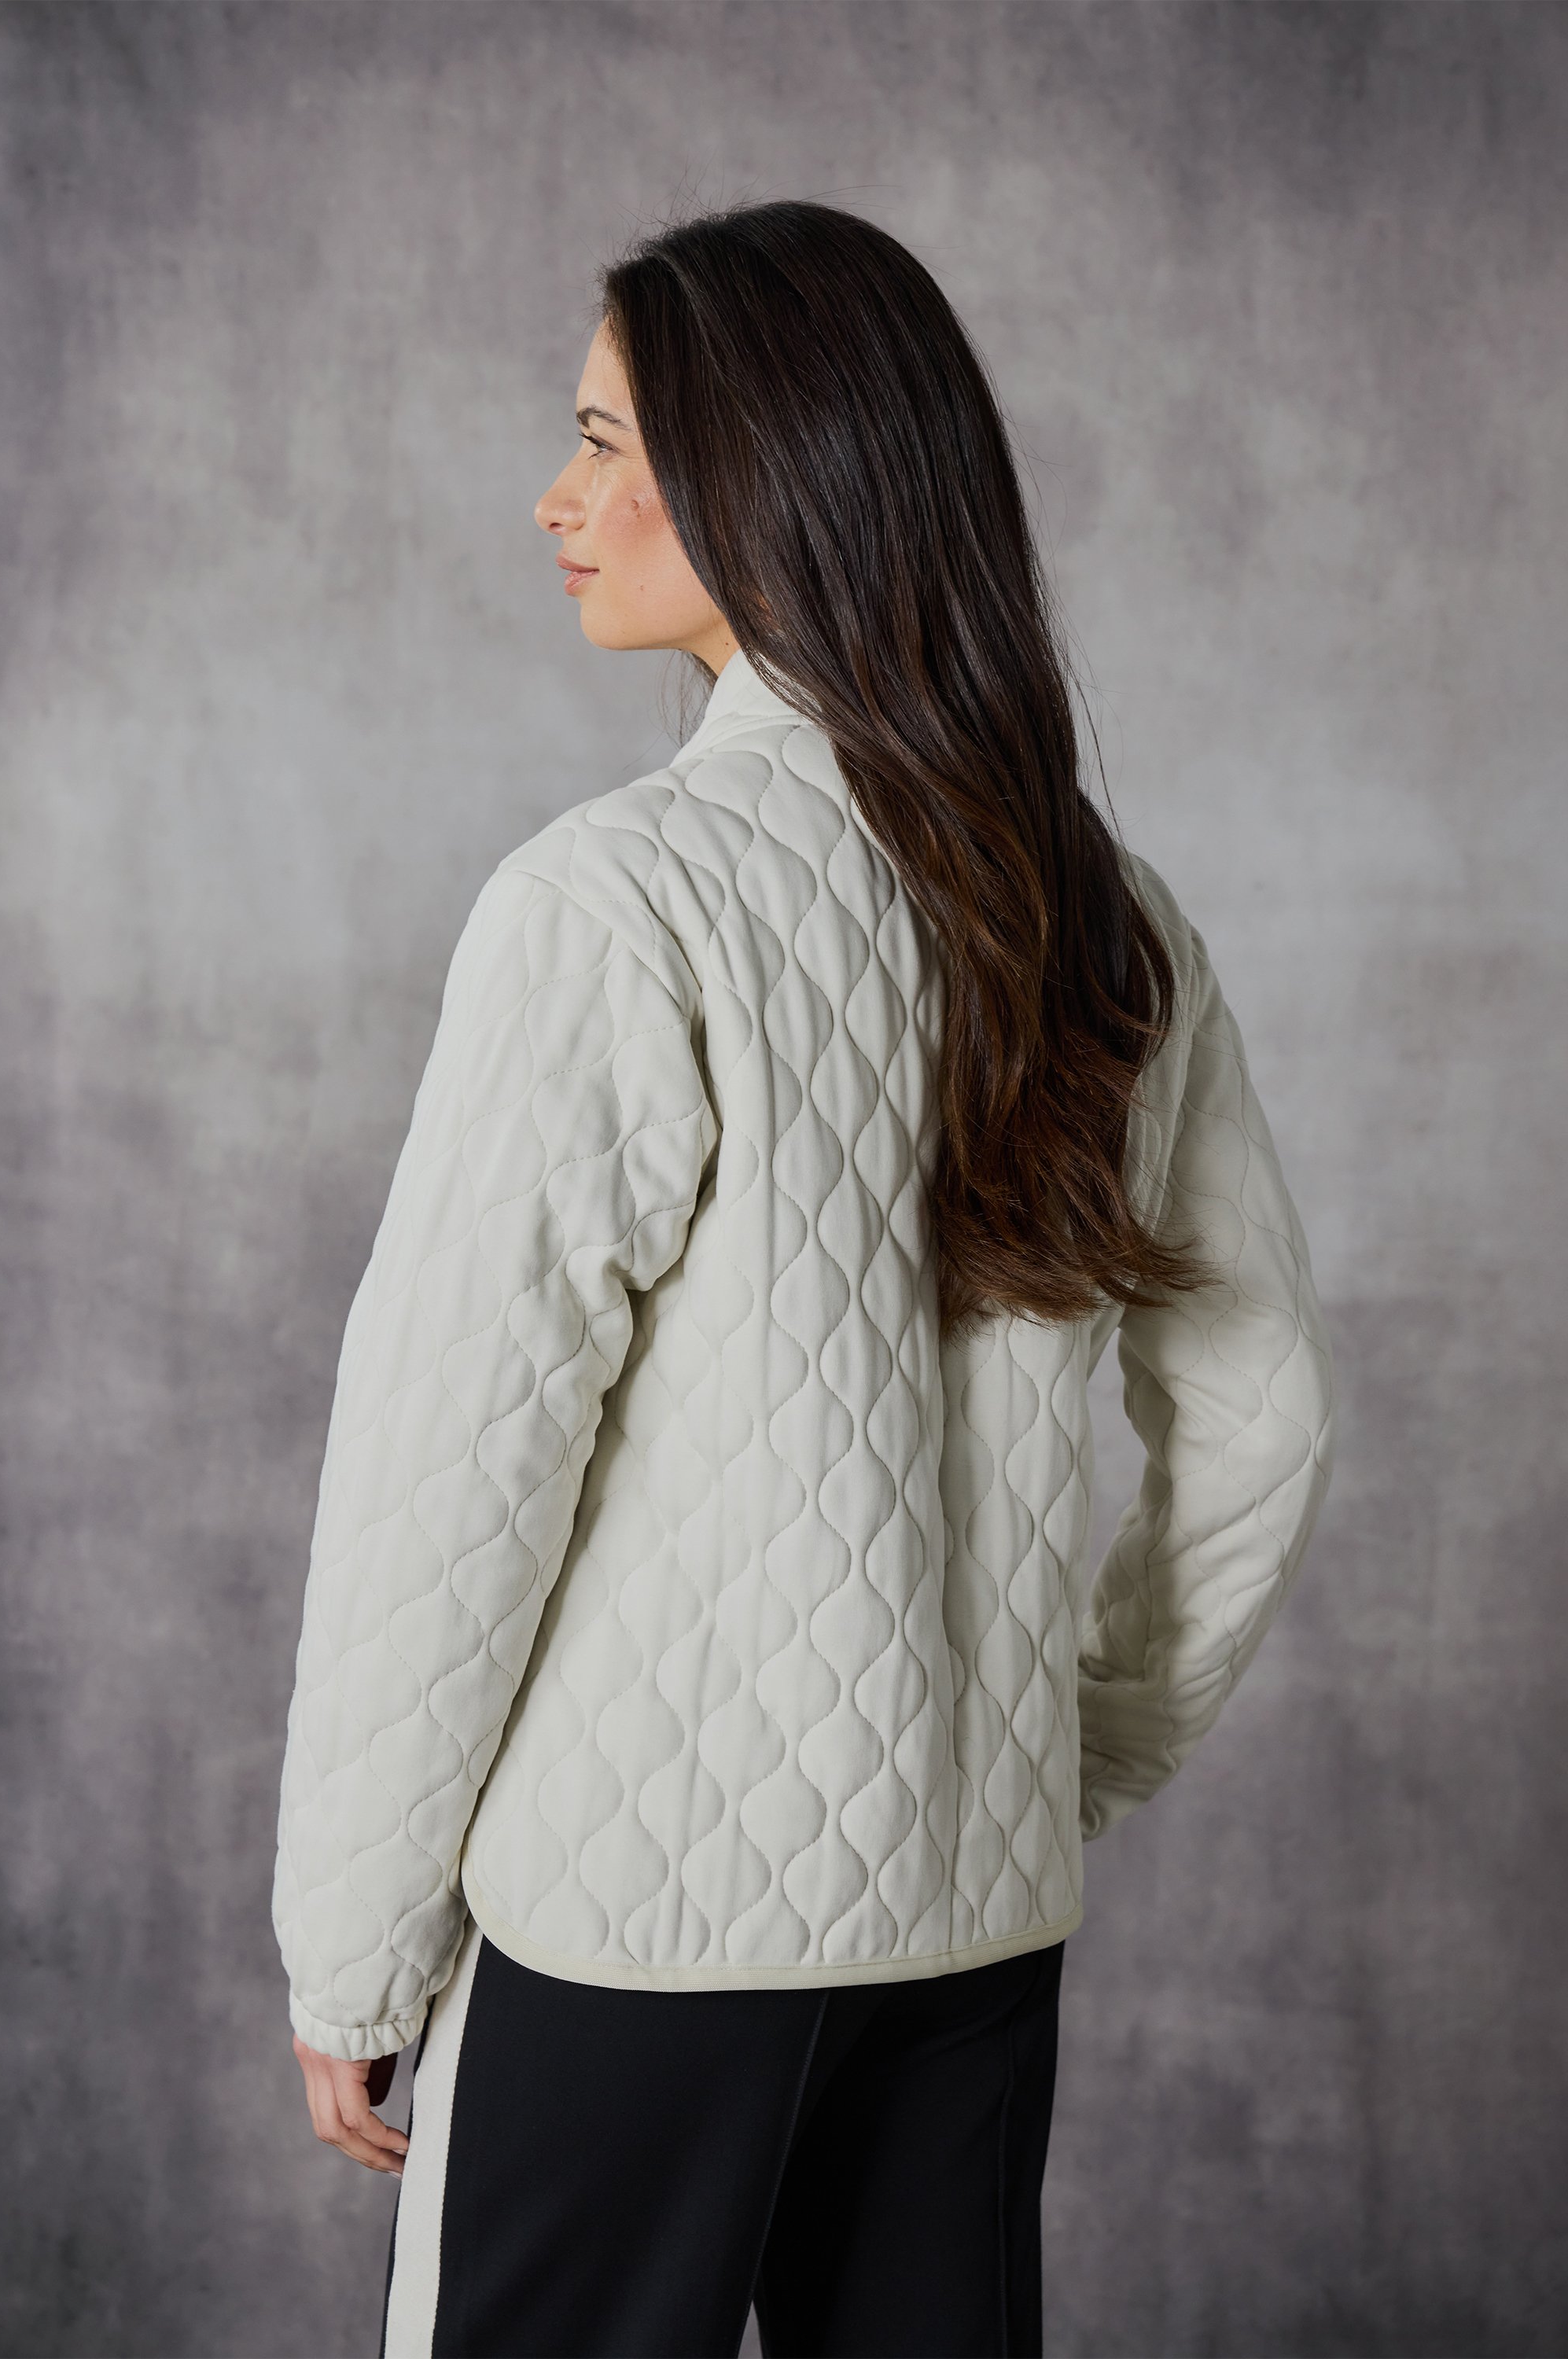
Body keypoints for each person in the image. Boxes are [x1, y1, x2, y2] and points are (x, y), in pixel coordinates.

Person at [273, 200, 1335, 2359]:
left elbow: (451, 1468)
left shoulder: (617, 903)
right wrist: (1056, 1757)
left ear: (772, 477)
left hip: (633, 1941)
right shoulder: (1103, 913)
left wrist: (352, 1948)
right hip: (970, 1931)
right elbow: (1263, 1415)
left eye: (609, 443)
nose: (556, 499)